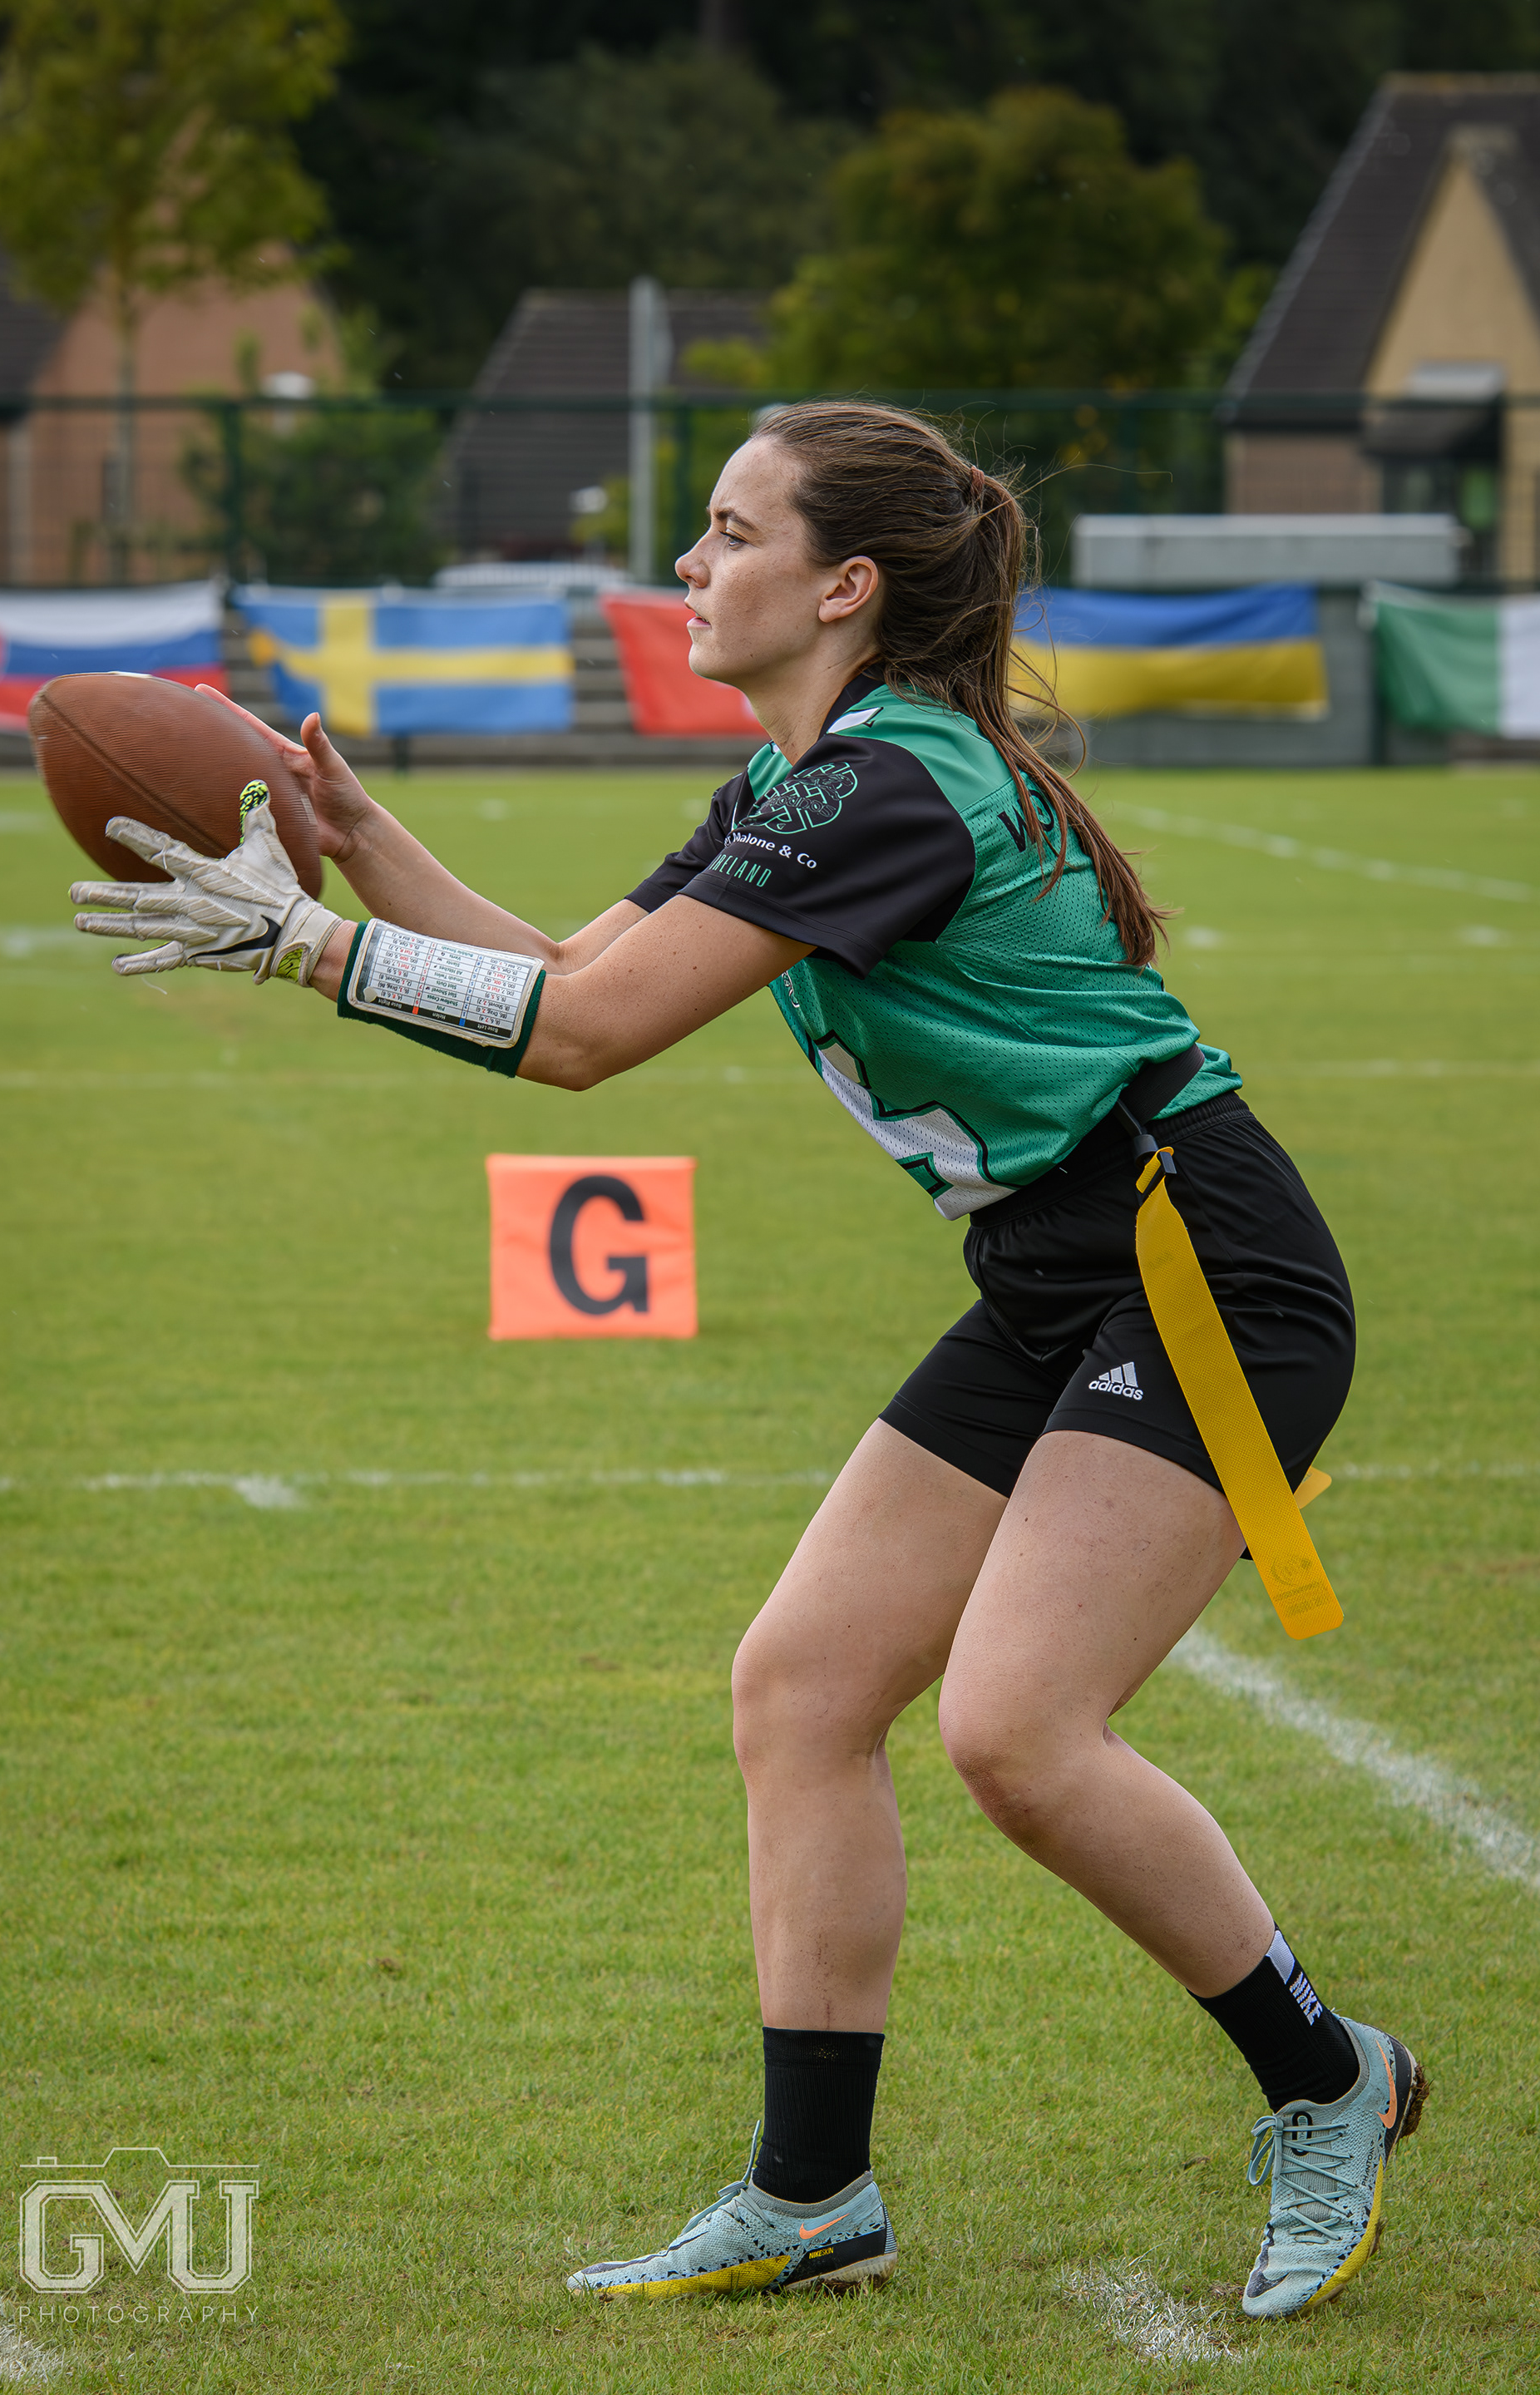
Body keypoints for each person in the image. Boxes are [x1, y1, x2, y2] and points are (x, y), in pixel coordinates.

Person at [72, 402, 1424, 2323]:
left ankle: (1328, 2076)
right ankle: (813, 2195)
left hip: (1198, 1266)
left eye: (728, 530)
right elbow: (566, 980)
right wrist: (361, 850)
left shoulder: (875, 788)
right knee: (803, 1690)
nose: (689, 567)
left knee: (1018, 1732)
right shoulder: (807, 777)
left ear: (845, 584)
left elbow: (578, 1044)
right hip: (1059, 1272)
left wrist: (313, 953)